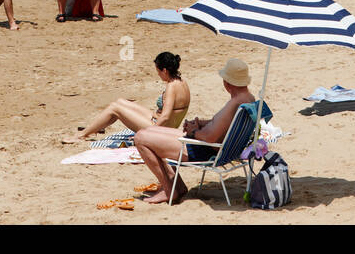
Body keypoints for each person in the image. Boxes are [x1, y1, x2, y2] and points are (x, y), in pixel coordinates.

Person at [132, 58, 256, 204]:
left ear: (227, 82)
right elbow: (224, 124)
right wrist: (201, 123)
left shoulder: (234, 103)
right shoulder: (248, 99)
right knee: (151, 131)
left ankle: (168, 190)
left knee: (140, 138)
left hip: (203, 150)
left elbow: (209, 137)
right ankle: (178, 186)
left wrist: (193, 131)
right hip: (219, 149)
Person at [62, 52, 190, 144]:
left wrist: (149, 134)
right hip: (162, 124)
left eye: (158, 72)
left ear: (165, 70)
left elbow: (166, 116)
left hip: (159, 129)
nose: (158, 75)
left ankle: (82, 135)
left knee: (115, 108)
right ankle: (99, 125)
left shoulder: (171, 87)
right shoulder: (182, 82)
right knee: (120, 102)